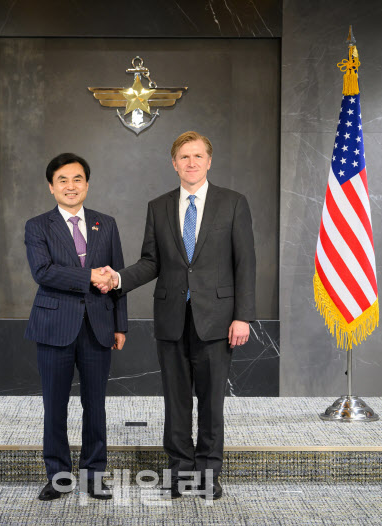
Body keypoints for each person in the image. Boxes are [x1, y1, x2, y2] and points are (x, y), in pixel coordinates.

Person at [98, 131, 255, 500]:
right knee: (176, 400)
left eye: (198, 156)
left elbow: (245, 262)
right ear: (174, 163)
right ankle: (180, 471)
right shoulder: (159, 206)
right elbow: (151, 262)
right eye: (184, 157)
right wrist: (118, 278)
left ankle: (208, 473)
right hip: (171, 319)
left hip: (217, 320)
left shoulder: (233, 203)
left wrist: (243, 316)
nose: (191, 162)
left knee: (212, 402)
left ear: (209, 161)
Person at [24, 153, 127, 501]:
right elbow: (43, 272)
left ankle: (94, 475)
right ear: (51, 187)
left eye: (77, 179)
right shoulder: (38, 226)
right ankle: (58, 476)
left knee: (95, 405)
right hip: (54, 326)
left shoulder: (105, 224)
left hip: (98, 325)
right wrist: (89, 276)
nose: (71, 186)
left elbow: (117, 276)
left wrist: (120, 324)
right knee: (55, 406)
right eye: (63, 180)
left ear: (87, 184)